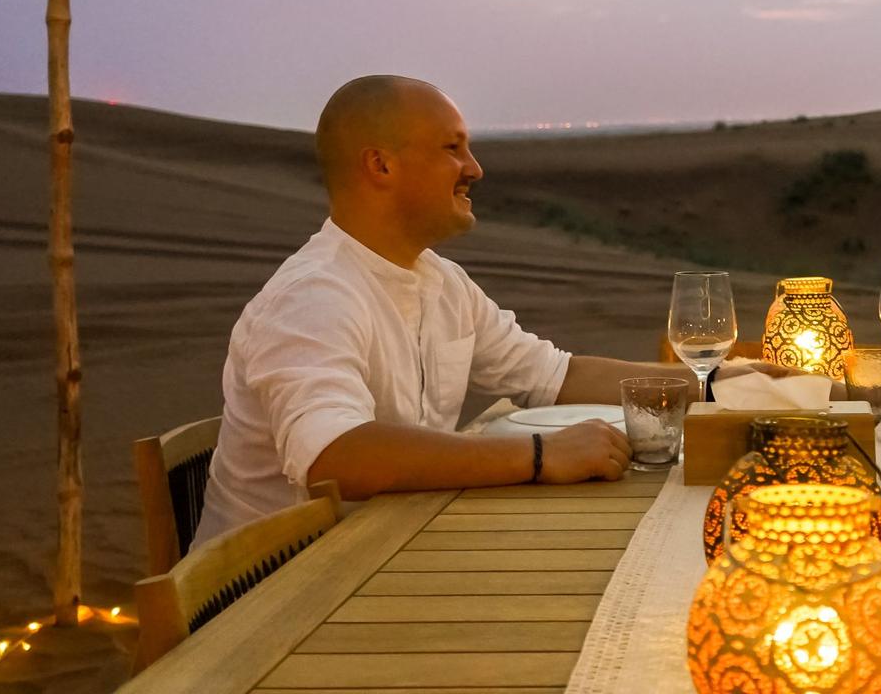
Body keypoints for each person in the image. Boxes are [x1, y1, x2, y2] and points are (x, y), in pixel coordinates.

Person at [194, 75, 741, 546]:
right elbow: (333, 458)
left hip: (385, 550)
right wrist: (538, 456)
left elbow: (555, 376)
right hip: (270, 596)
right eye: (451, 148)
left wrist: (723, 384)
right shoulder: (314, 296)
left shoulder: (440, 281)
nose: (474, 168)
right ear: (380, 164)